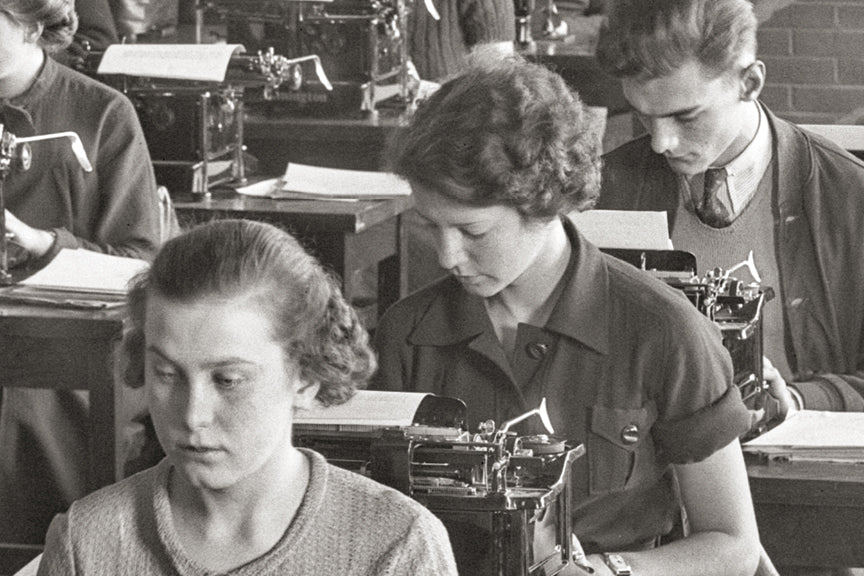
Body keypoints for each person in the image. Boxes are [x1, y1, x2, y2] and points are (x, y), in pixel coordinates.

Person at [372, 52, 760, 576]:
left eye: (472, 231)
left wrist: (605, 572)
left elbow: (732, 546)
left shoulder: (666, 332)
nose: (447, 257)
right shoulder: (406, 334)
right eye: (429, 225)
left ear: (546, 200)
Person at [36, 219, 458, 575]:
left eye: (228, 380)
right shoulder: (86, 543)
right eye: (166, 374)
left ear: (306, 378)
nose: (192, 415)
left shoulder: (396, 547)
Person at [594, 0, 864, 421]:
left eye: (686, 117)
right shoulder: (601, 190)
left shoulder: (850, 195)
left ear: (749, 83)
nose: (661, 143)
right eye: (645, 117)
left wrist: (799, 400)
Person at [0, 0, 162, 548]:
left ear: (32, 23)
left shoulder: (103, 114)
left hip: (70, 359)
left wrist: (43, 244)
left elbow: (140, 262)